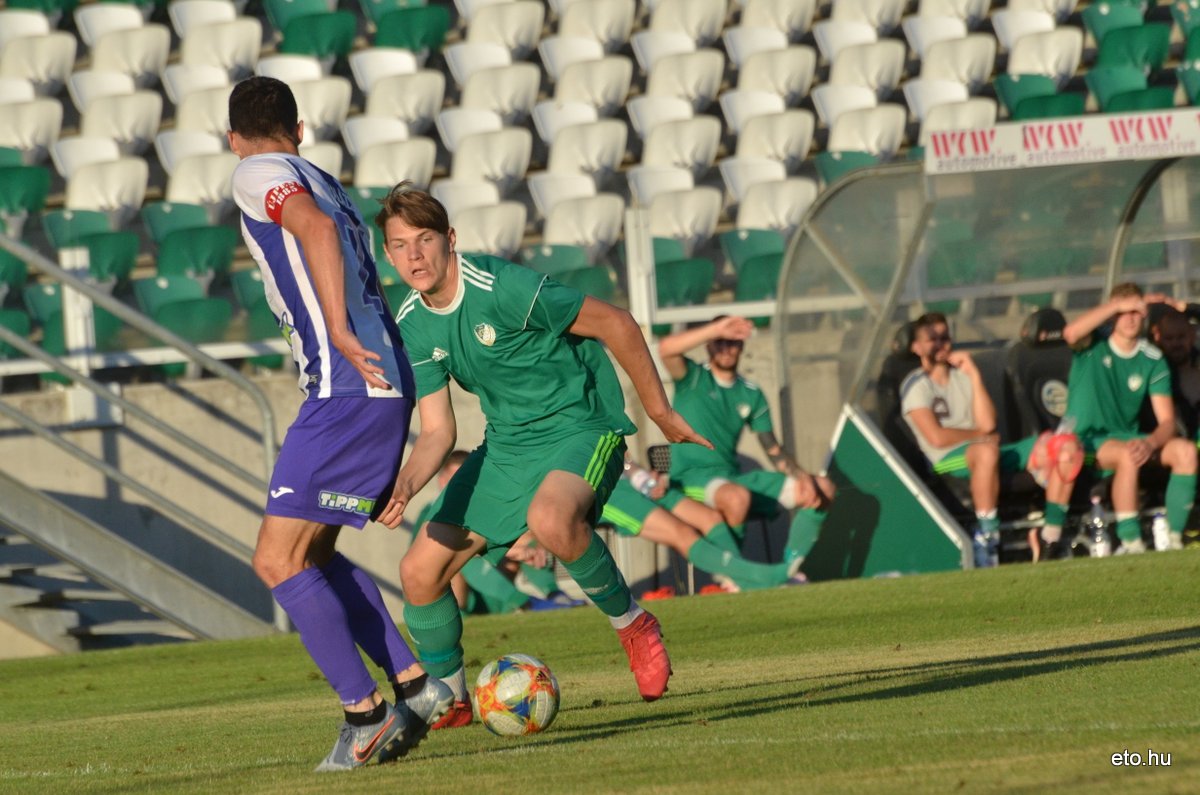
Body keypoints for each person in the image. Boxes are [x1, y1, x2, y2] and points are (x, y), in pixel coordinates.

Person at [372, 183, 711, 726]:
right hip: (508, 445)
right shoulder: (411, 321)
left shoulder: (501, 285)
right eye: (399, 244)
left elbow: (617, 323)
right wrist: (407, 483)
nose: (414, 255)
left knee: (550, 519)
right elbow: (437, 430)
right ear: (387, 255)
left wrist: (660, 411)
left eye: (425, 239)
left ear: (450, 240)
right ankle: (452, 697)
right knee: (419, 571)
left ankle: (634, 625)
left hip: (581, 424)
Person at [227, 77, 451, 772]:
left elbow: (313, 231)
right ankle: (415, 685)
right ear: (300, 128)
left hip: (347, 386)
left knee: (276, 558)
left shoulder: (256, 172)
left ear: (235, 137)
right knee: (313, 554)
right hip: (383, 384)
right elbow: (329, 227)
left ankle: (366, 714)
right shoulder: (322, 176)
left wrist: (334, 331)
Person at [899, 312, 1081, 565]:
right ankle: (988, 537)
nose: (941, 343)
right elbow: (937, 438)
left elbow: (988, 423)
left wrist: (974, 374)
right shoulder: (916, 385)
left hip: (987, 450)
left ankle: (1050, 537)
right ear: (917, 347)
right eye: (933, 339)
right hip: (946, 460)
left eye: (945, 337)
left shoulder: (963, 376)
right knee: (986, 452)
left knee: (1062, 444)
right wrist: (980, 437)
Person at [656, 316, 836, 570]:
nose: (726, 349)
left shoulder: (751, 393)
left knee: (823, 488)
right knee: (736, 498)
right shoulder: (693, 378)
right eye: (719, 342)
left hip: (732, 478)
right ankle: (733, 576)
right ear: (709, 345)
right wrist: (715, 328)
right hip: (690, 480)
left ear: (741, 346)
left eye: (732, 343)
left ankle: (789, 569)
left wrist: (802, 477)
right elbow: (665, 349)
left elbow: (772, 448)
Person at [1063, 283, 1196, 553]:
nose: (1131, 318)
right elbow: (1070, 332)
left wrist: (1150, 442)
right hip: (1087, 440)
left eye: (1137, 312)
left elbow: (1167, 422)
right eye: (1125, 312)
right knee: (1128, 454)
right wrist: (1116, 305)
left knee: (1186, 451)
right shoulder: (1092, 345)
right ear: (1113, 314)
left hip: (1130, 437)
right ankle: (1131, 541)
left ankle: (1174, 539)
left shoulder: (1152, 359)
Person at [412, 450, 576, 625]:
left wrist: (520, 547)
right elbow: (440, 555)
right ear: (442, 480)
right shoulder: (431, 514)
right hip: (455, 595)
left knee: (525, 539)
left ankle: (555, 595)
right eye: (454, 478)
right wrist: (509, 551)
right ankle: (524, 603)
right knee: (460, 558)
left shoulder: (480, 507)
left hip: (490, 587)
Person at [600, 456, 805, 594]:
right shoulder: (571, 404)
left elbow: (622, 455)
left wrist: (641, 477)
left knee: (711, 518)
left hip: (629, 484)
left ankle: (738, 581)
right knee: (683, 533)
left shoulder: (602, 402)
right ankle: (762, 578)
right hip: (601, 491)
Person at [1148, 304, 1200, 439]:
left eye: (1181, 337)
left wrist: (1188, 308)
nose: (1176, 343)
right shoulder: (1152, 369)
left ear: (1192, 336)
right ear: (1158, 338)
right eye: (1169, 338)